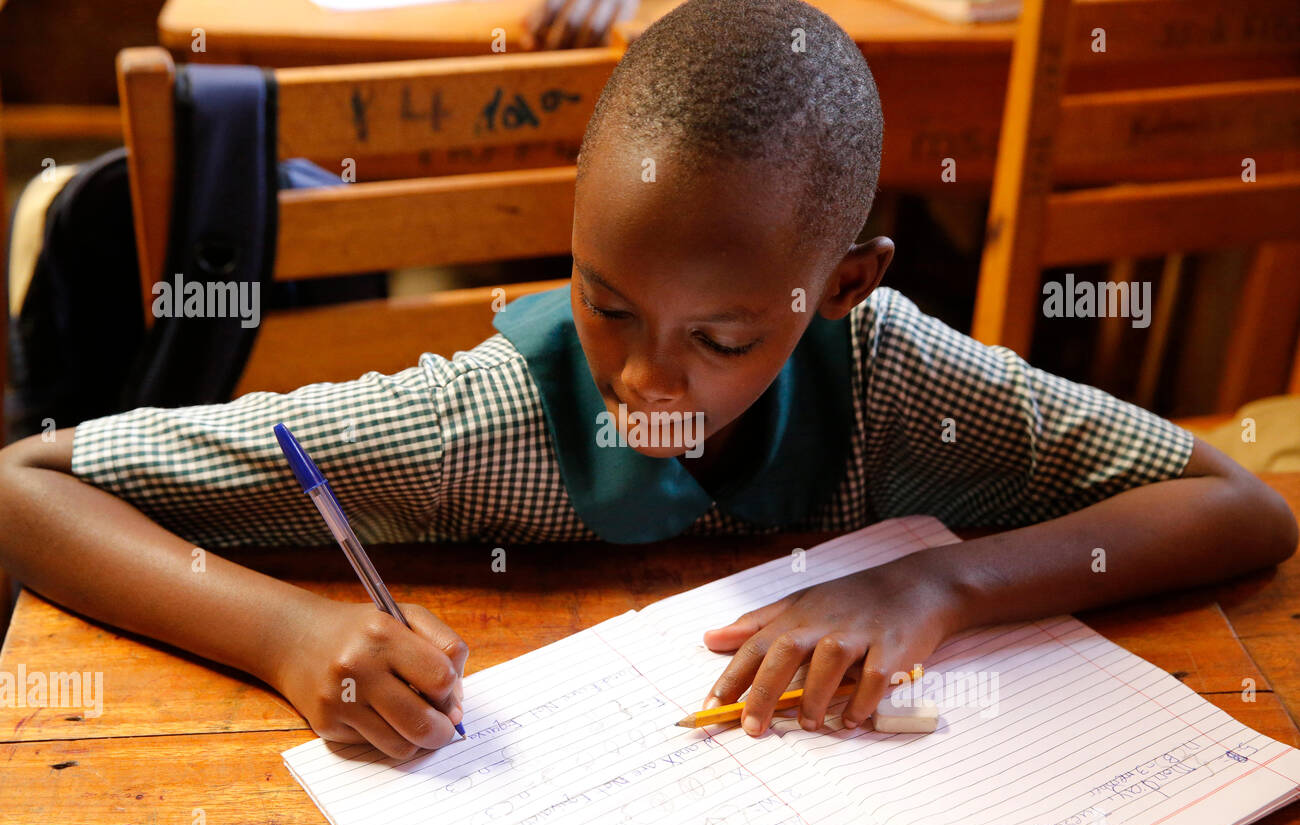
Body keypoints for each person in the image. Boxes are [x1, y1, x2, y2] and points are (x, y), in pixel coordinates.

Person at [0, 0, 1294, 761]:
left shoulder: (902, 376)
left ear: (844, 287)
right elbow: (26, 488)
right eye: (607, 303)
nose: (643, 379)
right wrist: (288, 635)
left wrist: (933, 584)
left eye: (722, 340)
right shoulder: (483, 423)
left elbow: (1243, 506)